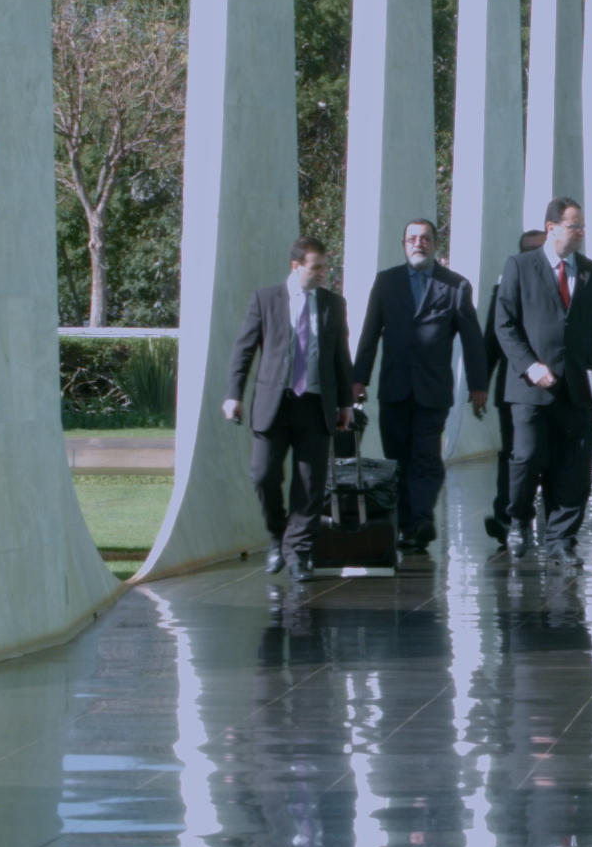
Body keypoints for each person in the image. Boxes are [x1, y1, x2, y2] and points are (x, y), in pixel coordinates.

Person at [493, 198, 592, 567]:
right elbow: (505, 324)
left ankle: (561, 539)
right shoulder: (520, 266)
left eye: (582, 227)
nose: (580, 233)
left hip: (577, 386)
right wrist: (529, 366)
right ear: (551, 227)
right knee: (527, 457)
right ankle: (517, 519)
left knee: (574, 466)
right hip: (531, 387)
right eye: (573, 226)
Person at [351, 219, 489, 552]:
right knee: (397, 459)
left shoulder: (455, 286)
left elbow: (472, 340)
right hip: (394, 388)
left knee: (426, 457)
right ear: (403, 244)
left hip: (433, 390)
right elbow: (369, 333)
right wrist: (358, 379)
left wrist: (478, 386)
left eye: (425, 239)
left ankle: (421, 521)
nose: (418, 244)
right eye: (412, 238)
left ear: (435, 245)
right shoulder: (386, 282)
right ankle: (406, 525)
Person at [223, 237, 355, 582]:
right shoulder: (265, 299)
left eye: (326, 266)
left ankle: (298, 552)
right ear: (296, 266)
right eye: (317, 267)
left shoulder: (332, 304)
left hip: (315, 405)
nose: (324, 273)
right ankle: (278, 536)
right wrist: (233, 394)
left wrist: (345, 404)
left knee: (309, 485)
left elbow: (341, 357)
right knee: (263, 475)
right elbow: (244, 349)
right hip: (273, 403)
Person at [484, 230, 545, 543]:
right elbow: (491, 340)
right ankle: (505, 516)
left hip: (550, 387)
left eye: (538, 248)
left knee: (541, 455)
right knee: (512, 454)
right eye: (526, 250)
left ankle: (540, 519)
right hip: (512, 387)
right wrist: (479, 385)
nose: (532, 255)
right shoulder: (504, 287)